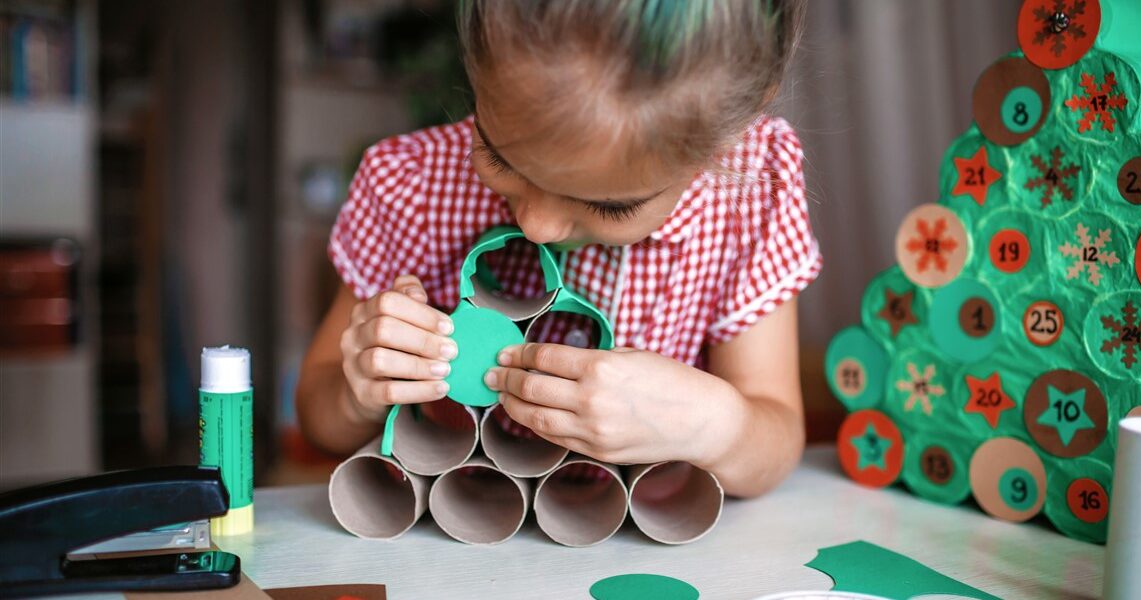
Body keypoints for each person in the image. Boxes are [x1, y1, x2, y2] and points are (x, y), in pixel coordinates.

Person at [297, 0, 821, 498]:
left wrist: (714, 425)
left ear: (726, 139)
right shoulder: (409, 186)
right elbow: (318, 416)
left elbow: (773, 441)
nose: (537, 225)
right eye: (500, 158)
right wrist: (356, 390)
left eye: (611, 206)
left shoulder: (751, 190)